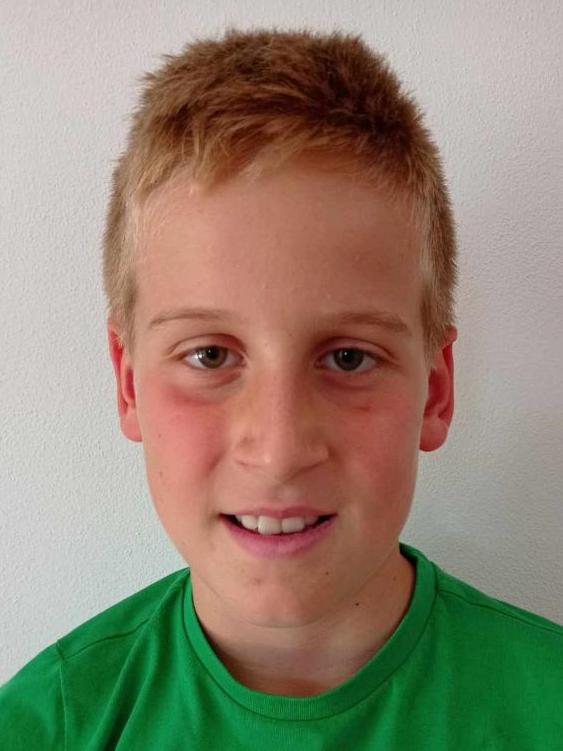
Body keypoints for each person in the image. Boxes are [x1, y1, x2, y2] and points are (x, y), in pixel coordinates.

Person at [1, 27, 561, 750]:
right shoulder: (46, 726)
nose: (279, 450)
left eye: (349, 358)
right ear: (128, 383)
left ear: (435, 390)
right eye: (209, 355)